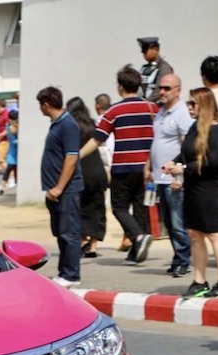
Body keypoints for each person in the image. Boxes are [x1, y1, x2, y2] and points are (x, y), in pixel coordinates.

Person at [163, 87, 218, 299]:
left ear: (204, 105)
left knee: (214, 234)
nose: (189, 108)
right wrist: (174, 162)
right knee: (194, 234)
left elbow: (214, 161)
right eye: (188, 104)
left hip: (210, 189)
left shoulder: (217, 130)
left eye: (193, 104)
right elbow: (187, 152)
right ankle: (199, 280)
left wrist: (184, 169)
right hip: (193, 188)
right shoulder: (196, 128)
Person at [81, 66, 157, 266]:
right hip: (146, 168)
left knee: (119, 207)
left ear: (120, 87)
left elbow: (98, 139)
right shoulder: (152, 109)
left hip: (123, 168)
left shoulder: (114, 111)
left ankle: (138, 238)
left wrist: (78, 155)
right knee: (141, 209)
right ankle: (136, 251)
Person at [38, 86, 84, 288]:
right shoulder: (57, 124)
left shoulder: (67, 125)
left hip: (67, 190)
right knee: (60, 231)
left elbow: (71, 157)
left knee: (69, 232)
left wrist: (59, 187)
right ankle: (63, 271)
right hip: (56, 190)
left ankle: (71, 274)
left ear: (46, 105)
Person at [149, 74, 194, 278]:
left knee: (178, 222)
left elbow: (187, 147)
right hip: (160, 178)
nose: (162, 92)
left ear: (178, 89)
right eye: (161, 88)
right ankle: (178, 257)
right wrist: (148, 167)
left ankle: (184, 260)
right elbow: (157, 142)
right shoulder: (160, 113)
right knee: (168, 222)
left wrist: (179, 177)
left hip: (174, 179)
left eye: (167, 88)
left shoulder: (182, 114)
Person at [67, 97, 107, 259]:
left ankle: (83, 241)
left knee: (81, 207)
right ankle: (94, 245)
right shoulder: (92, 124)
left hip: (81, 170)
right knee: (97, 207)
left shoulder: (70, 126)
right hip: (97, 170)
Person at [137, 37, 174, 104]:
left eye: (146, 51)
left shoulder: (163, 68)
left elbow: (158, 91)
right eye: (143, 52)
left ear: (155, 49)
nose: (144, 54)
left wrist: (145, 104)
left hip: (157, 108)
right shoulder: (144, 68)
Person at [0, 110, 18, 196]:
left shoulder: (8, 126)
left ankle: (2, 186)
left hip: (11, 152)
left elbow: (6, 133)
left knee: (8, 169)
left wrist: (0, 135)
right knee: (14, 169)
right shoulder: (15, 127)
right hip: (16, 152)